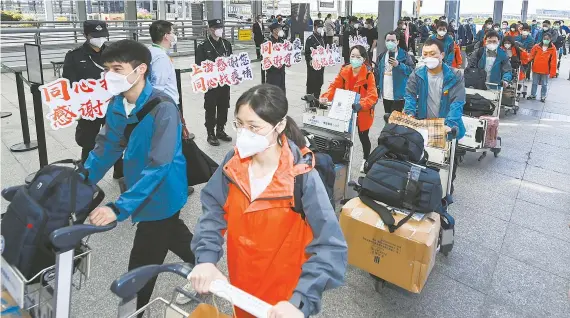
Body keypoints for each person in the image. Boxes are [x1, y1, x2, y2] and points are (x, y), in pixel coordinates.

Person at [189, 84, 347, 318]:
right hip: (241, 284)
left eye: (254, 127)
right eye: (239, 124)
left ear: (279, 125)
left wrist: (300, 301)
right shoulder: (233, 162)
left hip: (284, 297)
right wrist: (205, 259)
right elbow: (212, 209)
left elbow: (330, 246)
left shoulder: (302, 177)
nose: (244, 134)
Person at [86, 39, 196, 314]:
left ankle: (135, 311)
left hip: (161, 194)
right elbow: (106, 147)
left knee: (139, 271)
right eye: (106, 69)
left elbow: (160, 165)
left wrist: (118, 207)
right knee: (176, 236)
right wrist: (79, 182)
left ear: (141, 69)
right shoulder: (117, 104)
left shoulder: (164, 108)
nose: (110, 75)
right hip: (140, 190)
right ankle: (204, 265)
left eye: (117, 68)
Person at [403, 38, 466, 194]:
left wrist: (449, 124)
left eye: (433, 54)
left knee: (447, 161)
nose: (428, 57)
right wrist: (409, 113)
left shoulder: (455, 75)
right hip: (425, 126)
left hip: (447, 127)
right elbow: (410, 96)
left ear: (442, 55)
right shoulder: (417, 74)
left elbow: (457, 102)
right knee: (422, 158)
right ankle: (422, 189)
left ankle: (447, 188)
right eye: (425, 54)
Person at [62, 20, 123, 179]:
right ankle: (86, 173)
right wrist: (76, 106)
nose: (100, 39)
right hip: (89, 107)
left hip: (112, 103)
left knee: (116, 137)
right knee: (88, 140)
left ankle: (120, 170)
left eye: (103, 35)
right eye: (96, 36)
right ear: (86, 35)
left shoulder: (113, 52)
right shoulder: (75, 56)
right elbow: (69, 83)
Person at [320, 45, 378, 173]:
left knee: (364, 137)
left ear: (364, 59)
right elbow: (334, 86)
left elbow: (372, 95)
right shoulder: (344, 70)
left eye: (358, 57)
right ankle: (342, 158)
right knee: (343, 136)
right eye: (352, 56)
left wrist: (361, 104)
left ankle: (365, 159)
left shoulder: (368, 74)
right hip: (346, 108)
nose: (355, 59)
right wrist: (325, 97)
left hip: (362, 111)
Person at [195, 19, 233, 146]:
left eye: (221, 27)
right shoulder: (203, 46)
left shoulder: (226, 44)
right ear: (210, 29)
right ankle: (210, 133)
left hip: (224, 83)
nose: (220, 30)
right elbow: (199, 66)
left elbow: (231, 62)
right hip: (211, 84)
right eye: (217, 27)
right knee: (211, 107)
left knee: (224, 106)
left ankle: (220, 130)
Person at [376, 32, 415, 115]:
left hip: (399, 95)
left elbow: (411, 70)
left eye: (393, 40)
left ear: (397, 42)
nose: (390, 42)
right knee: (387, 117)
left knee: (396, 120)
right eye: (388, 40)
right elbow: (378, 72)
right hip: (386, 93)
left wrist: (399, 65)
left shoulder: (405, 55)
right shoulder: (382, 56)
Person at [527, 33, 557, 102]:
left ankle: (543, 96)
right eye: (544, 39)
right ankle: (533, 95)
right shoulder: (536, 46)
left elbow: (554, 61)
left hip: (546, 70)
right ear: (542, 39)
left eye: (547, 39)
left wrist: (553, 72)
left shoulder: (553, 48)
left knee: (544, 84)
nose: (545, 40)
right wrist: (526, 61)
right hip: (536, 68)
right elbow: (531, 55)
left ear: (550, 39)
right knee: (534, 83)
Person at [304, 20, 327, 99]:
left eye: (321, 27)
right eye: (318, 27)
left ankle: (317, 99)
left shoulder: (323, 38)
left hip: (321, 65)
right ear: (314, 27)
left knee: (319, 82)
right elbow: (307, 53)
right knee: (311, 82)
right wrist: (310, 61)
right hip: (313, 66)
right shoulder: (310, 39)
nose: (320, 28)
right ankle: (310, 101)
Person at [264, 22, 287, 93]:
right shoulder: (268, 42)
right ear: (274, 30)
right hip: (273, 73)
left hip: (281, 72)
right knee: (273, 93)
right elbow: (265, 58)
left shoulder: (282, 41)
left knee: (282, 91)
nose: (281, 30)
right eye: (279, 29)